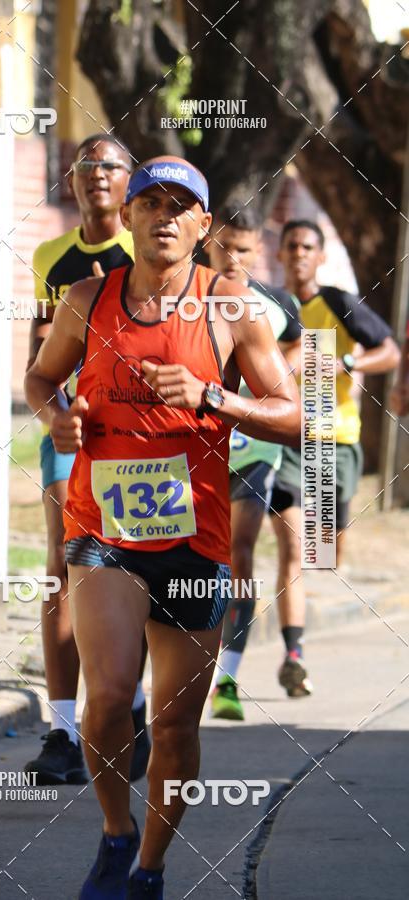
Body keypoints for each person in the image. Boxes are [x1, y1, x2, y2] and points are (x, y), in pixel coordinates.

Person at [25, 156, 301, 899]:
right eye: (152, 202)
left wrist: (215, 397)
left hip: (195, 540)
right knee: (111, 697)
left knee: (176, 730)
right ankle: (115, 836)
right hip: (103, 527)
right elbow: (40, 377)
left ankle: (150, 866)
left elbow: (296, 414)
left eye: (184, 206)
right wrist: (58, 417)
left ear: (204, 227)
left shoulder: (233, 309)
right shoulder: (87, 298)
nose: (166, 216)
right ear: (131, 215)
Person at [24, 133, 150, 785]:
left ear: (130, 182)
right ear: (70, 180)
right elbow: (37, 364)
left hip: (141, 446)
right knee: (62, 564)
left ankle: (130, 706)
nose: (96, 174)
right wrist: (55, 418)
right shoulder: (51, 257)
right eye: (84, 164)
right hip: (72, 437)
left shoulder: (149, 253)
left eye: (109, 165)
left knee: (137, 568)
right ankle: (62, 730)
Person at [269, 219, 400, 698]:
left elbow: (388, 352)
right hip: (285, 441)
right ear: (280, 254)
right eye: (291, 246)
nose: (299, 254)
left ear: (319, 256)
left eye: (308, 246)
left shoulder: (339, 304)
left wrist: (346, 363)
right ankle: (294, 655)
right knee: (293, 552)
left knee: (328, 554)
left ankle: (309, 620)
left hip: (334, 442)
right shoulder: (269, 307)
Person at [207, 205, 301, 721]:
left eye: (244, 249)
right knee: (196, 559)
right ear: (209, 243)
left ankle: (229, 677)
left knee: (239, 553)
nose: (234, 258)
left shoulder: (279, 303)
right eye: (225, 247)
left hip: (255, 450)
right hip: (197, 451)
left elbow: (298, 349)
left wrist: (279, 382)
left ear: (257, 251)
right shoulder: (188, 297)